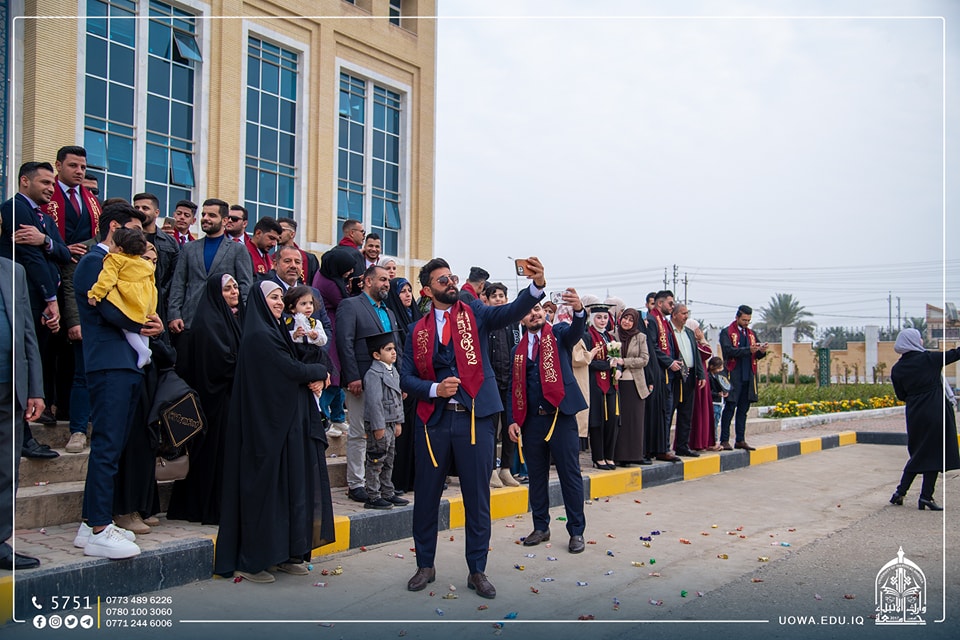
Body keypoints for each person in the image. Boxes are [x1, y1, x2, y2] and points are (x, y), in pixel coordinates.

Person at [400, 256, 545, 599]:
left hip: (475, 418)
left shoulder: (475, 312)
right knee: (426, 497)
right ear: (427, 290)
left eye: (452, 277)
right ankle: (425, 565)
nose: (451, 283)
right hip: (433, 421)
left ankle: (477, 570)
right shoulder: (416, 331)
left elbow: (509, 312)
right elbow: (406, 377)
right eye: (442, 280)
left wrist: (536, 287)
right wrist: (434, 389)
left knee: (477, 498)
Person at [215, 281, 331, 583]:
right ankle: (252, 561)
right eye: (273, 297)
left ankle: (284, 555)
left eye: (281, 297)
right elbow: (291, 369)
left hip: (286, 425)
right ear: (259, 302)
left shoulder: (277, 330)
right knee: (266, 492)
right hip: (266, 429)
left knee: (290, 490)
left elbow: (308, 357)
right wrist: (320, 372)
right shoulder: (259, 335)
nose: (280, 302)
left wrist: (321, 372)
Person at [73, 201, 164, 559]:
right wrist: (143, 324)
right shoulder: (95, 262)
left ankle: (89, 524)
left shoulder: (122, 263)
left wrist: (152, 323)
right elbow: (109, 309)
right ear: (115, 229)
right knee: (107, 446)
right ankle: (99, 527)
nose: (142, 239)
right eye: (135, 231)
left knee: (114, 445)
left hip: (126, 362)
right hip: (108, 362)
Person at [506, 289, 588, 553]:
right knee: (537, 477)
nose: (534, 313)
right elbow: (512, 388)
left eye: (537, 308)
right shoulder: (517, 351)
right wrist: (512, 419)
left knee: (570, 476)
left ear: (544, 311)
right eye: (528, 311)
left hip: (560, 418)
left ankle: (576, 531)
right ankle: (540, 526)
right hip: (532, 422)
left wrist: (579, 311)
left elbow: (576, 331)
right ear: (520, 318)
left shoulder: (559, 334)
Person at [166, 273, 244, 524]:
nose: (234, 292)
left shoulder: (231, 319)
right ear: (215, 293)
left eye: (235, 287)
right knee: (213, 455)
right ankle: (206, 508)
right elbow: (220, 362)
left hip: (228, 398)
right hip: (215, 401)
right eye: (227, 289)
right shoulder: (208, 322)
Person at [335, 265, 398, 503]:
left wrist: (398, 382)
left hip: (387, 382)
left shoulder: (388, 312)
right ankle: (356, 484)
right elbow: (345, 342)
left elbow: (396, 347)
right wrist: (353, 376)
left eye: (388, 281)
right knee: (360, 433)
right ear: (368, 281)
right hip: (361, 380)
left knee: (385, 435)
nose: (386, 284)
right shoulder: (350, 305)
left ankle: (380, 486)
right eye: (382, 279)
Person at [0, 255, 45, 569]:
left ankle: (0, 542)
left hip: (9, 388)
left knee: (6, 470)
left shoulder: (13, 271)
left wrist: (35, 389)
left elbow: (28, 332)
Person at [888, 328, 960, 511]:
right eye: (919, 338)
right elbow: (955, 354)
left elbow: (901, 395)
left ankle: (903, 493)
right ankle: (923, 496)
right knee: (933, 453)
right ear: (913, 341)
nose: (921, 341)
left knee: (920, 452)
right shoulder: (929, 359)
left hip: (915, 413)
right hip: (935, 411)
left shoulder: (897, 369)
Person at [167, 198, 253, 335]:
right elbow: (178, 283)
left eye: (212, 215)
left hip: (223, 323)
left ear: (224, 221)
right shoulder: (189, 248)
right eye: (203, 214)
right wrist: (174, 314)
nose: (205, 218)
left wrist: (240, 316)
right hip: (189, 322)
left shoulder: (238, 250)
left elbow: (245, 286)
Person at [86, 227, 157, 369]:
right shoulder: (144, 262)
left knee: (127, 325)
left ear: (119, 249)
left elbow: (107, 279)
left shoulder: (114, 259)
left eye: (112, 243)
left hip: (128, 297)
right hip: (146, 297)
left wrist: (96, 294)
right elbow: (151, 280)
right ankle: (145, 350)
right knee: (144, 325)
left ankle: (142, 351)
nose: (109, 246)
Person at [312, 249, 356, 438]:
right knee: (333, 376)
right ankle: (324, 417)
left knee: (339, 376)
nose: (350, 272)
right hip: (332, 329)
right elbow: (345, 303)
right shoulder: (329, 283)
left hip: (335, 326)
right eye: (348, 269)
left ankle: (338, 416)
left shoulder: (326, 275)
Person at [362, 332, 408, 509]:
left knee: (389, 459)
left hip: (391, 422)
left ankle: (388, 491)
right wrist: (378, 426)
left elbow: (398, 399)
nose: (393, 352)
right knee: (376, 460)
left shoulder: (393, 370)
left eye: (394, 349)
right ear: (376, 354)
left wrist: (398, 422)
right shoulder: (374, 374)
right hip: (379, 424)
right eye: (388, 349)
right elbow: (374, 403)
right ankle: (373, 495)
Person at [384, 276, 422, 493]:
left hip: (420, 381)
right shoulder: (392, 317)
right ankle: (399, 480)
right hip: (402, 380)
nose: (407, 295)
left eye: (409, 290)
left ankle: (416, 477)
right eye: (402, 291)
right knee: (402, 434)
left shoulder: (416, 317)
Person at [484, 282, 521, 487]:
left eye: (501, 296)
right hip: (491, 384)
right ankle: (491, 469)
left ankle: (506, 468)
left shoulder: (513, 322)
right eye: (494, 296)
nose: (498, 299)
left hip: (510, 383)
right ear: (487, 300)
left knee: (511, 426)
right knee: (491, 428)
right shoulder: (486, 321)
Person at [718, 304, 767, 451]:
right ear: (737, 317)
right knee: (730, 408)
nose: (746, 323)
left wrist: (761, 351)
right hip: (733, 376)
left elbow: (755, 355)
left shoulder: (751, 334)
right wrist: (747, 350)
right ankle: (724, 440)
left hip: (748, 376)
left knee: (743, 410)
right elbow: (728, 351)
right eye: (744, 320)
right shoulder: (727, 332)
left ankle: (740, 440)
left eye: (748, 320)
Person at [646, 290, 683, 462]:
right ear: (660, 303)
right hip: (660, 373)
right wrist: (669, 362)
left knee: (667, 412)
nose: (672, 306)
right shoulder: (652, 320)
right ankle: (661, 448)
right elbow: (653, 346)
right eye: (670, 303)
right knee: (663, 413)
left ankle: (663, 447)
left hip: (670, 373)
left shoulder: (664, 321)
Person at [132, 192, 179, 327]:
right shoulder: (127, 238)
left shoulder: (170, 242)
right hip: (132, 300)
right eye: (137, 208)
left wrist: (162, 294)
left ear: (157, 212)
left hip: (160, 303)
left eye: (145, 208)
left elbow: (176, 276)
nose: (140, 211)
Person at [583, 303, 620, 469]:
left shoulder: (610, 338)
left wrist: (618, 369)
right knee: (597, 420)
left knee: (612, 419)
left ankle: (609, 456)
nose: (603, 320)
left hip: (611, 384)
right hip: (595, 384)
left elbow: (616, 359)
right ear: (592, 319)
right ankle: (598, 458)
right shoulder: (587, 336)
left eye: (605, 317)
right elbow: (586, 361)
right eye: (599, 317)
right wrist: (607, 365)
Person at [614, 308, 651, 466]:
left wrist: (625, 362)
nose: (627, 322)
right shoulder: (613, 335)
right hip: (616, 383)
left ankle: (634, 455)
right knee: (619, 420)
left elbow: (644, 359)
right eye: (625, 318)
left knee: (634, 420)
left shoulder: (640, 337)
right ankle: (618, 455)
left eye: (631, 320)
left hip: (635, 383)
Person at [668, 303, 704, 457]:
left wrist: (701, 374)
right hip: (675, 376)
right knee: (669, 411)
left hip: (689, 375)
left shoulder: (689, 332)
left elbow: (696, 354)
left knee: (686, 413)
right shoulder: (668, 331)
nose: (686, 316)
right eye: (683, 313)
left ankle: (682, 445)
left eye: (687, 313)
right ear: (674, 315)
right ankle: (664, 447)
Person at [687, 319, 717, 451]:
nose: (700, 332)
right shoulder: (692, 343)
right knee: (698, 410)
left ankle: (705, 441)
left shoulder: (696, 343)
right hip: (697, 378)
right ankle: (697, 442)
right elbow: (708, 352)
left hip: (702, 377)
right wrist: (703, 339)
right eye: (697, 329)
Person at [277, 217, 319, 285]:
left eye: (282, 230)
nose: (278, 234)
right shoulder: (273, 258)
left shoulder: (310, 258)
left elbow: (315, 283)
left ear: (292, 234)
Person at [707, 356, 728, 452]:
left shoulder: (718, 376)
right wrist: (717, 394)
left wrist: (725, 392)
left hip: (719, 402)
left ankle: (714, 441)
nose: (720, 370)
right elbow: (708, 391)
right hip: (713, 402)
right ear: (712, 366)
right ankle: (713, 442)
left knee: (716, 422)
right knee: (713, 424)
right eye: (718, 368)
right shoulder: (709, 377)